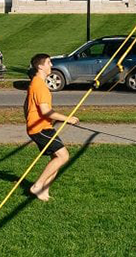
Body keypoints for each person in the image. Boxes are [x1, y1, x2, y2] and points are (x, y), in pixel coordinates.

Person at [24, 54, 79, 201]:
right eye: (48, 62)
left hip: (44, 126)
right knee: (63, 156)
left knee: (57, 157)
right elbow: (45, 111)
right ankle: (38, 185)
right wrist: (68, 119)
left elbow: (27, 106)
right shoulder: (39, 85)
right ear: (40, 66)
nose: (51, 65)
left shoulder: (36, 83)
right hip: (39, 129)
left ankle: (44, 191)